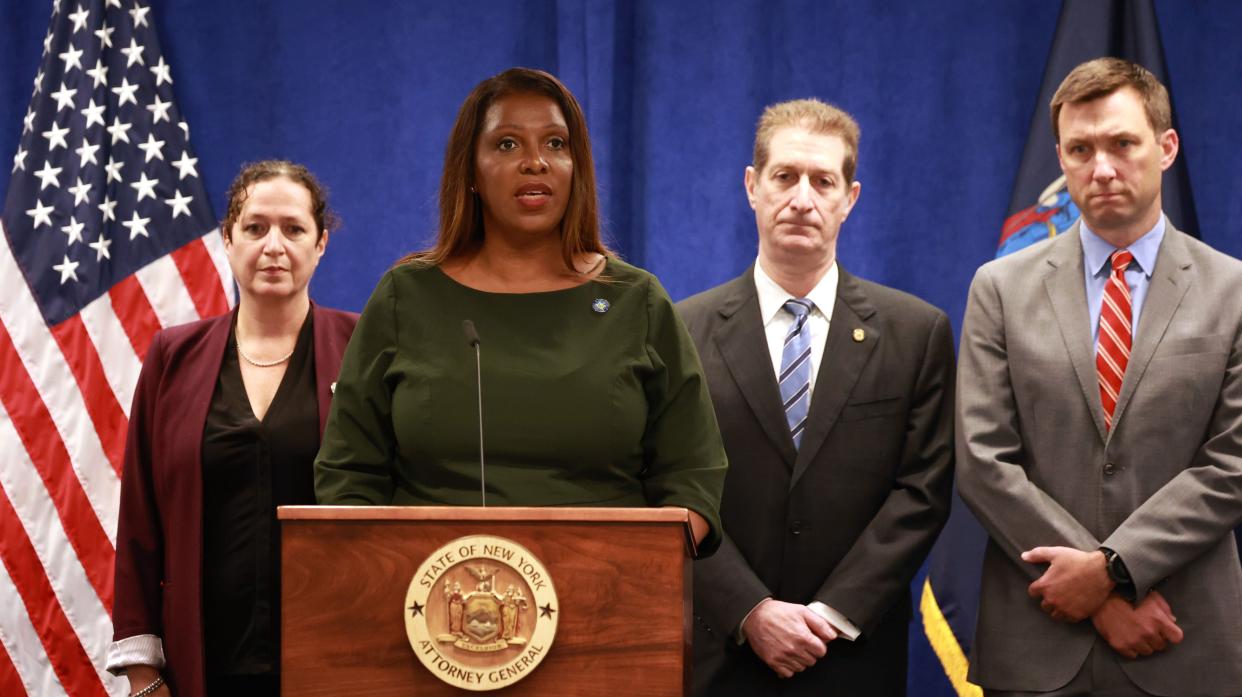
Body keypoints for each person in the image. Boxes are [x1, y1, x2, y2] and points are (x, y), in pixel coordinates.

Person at [313, 68, 725, 552]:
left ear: (577, 167)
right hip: (429, 602)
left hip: (608, 594)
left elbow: (694, 477)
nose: (536, 162)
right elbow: (348, 474)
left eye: (555, 144)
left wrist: (638, 569)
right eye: (507, 145)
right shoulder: (406, 296)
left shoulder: (637, 300)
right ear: (470, 172)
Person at [956, 57, 1242, 696]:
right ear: (1059, 157)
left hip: (1185, 640)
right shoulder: (998, 288)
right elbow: (982, 460)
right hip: (1038, 641)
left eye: (1122, 143)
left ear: (1166, 148)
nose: (1102, 167)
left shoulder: (1235, 291)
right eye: (1080, 149)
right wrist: (1101, 595)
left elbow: (1232, 464)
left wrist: (1113, 567)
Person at [678, 99, 955, 696]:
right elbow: (669, 490)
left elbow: (923, 491)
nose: (802, 198)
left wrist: (830, 617)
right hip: (720, 655)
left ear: (849, 198)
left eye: (822, 181)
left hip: (854, 657)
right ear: (752, 187)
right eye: (784, 177)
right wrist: (749, 610)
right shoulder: (682, 332)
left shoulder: (915, 333)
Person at [108, 161, 359, 697]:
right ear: (227, 240)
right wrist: (141, 671)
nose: (274, 245)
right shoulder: (172, 357)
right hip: (201, 663)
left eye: (293, 229)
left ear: (320, 245)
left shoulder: (363, 351)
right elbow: (139, 520)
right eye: (255, 227)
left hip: (335, 657)